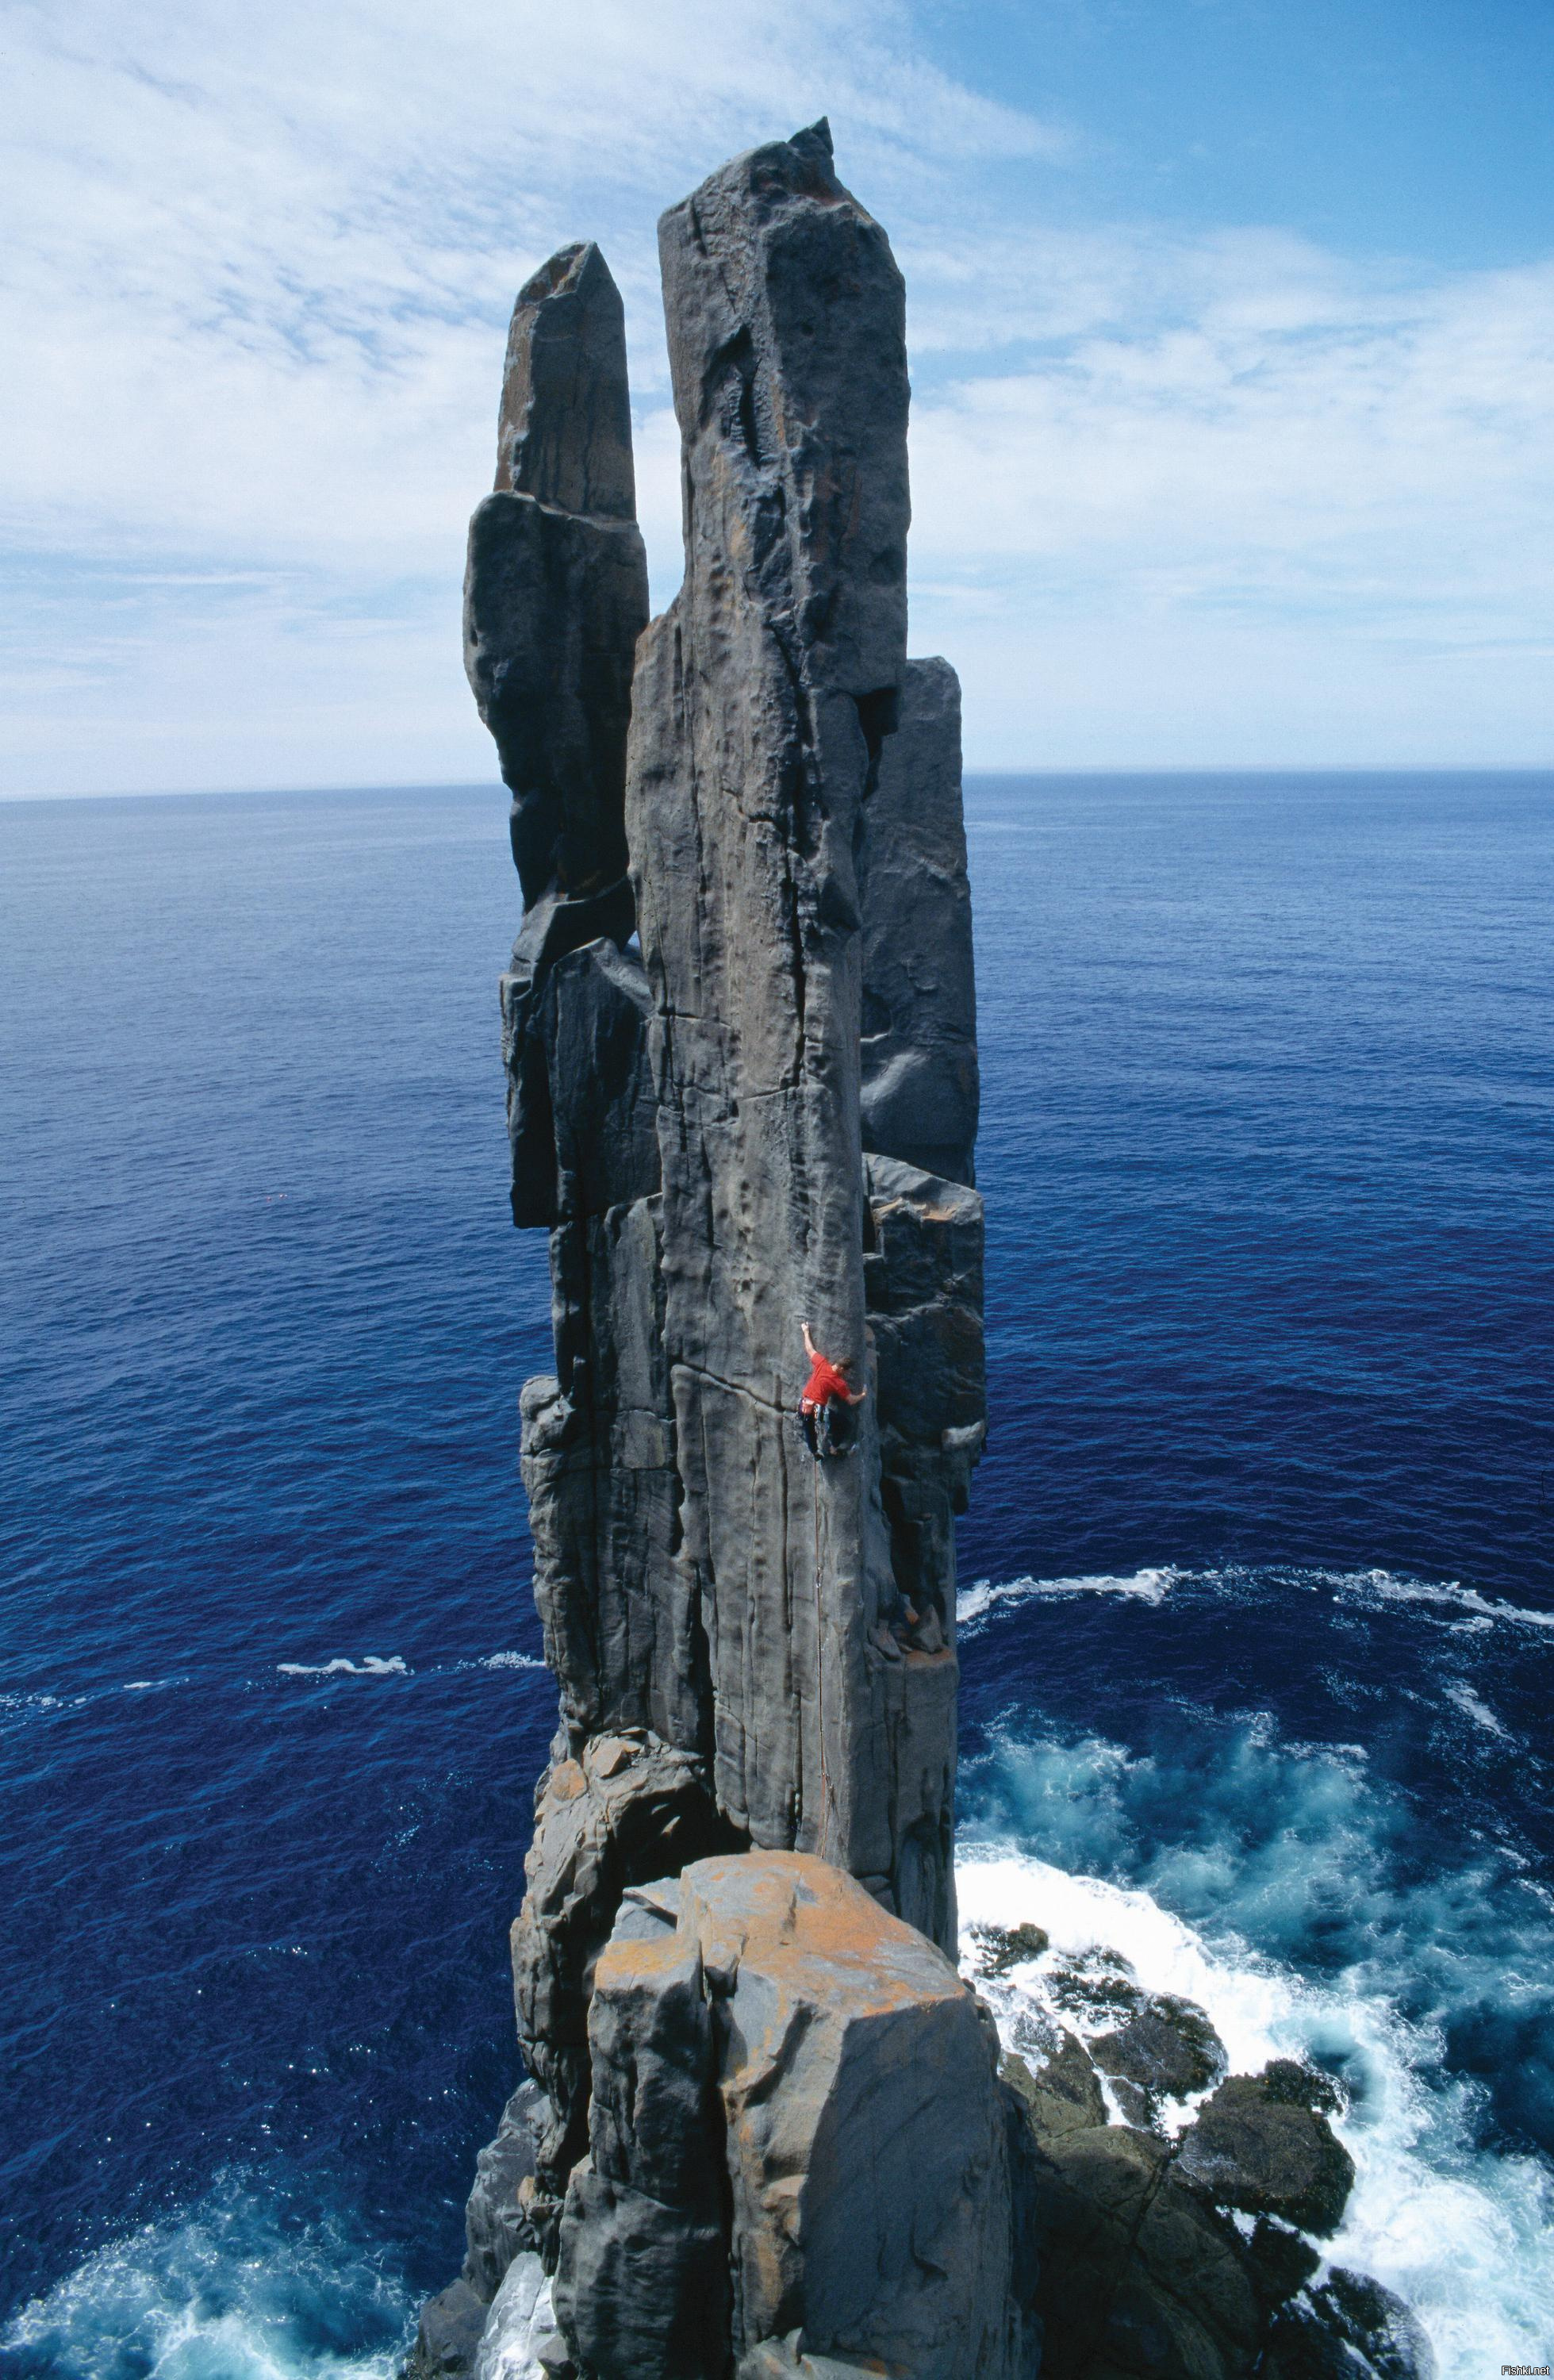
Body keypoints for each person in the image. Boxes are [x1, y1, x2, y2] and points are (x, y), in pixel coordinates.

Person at [798, 1320, 867, 1459]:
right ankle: (834, 1449)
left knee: (809, 1429)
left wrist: (805, 1331)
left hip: (804, 1405)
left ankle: (815, 1452)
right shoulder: (838, 1382)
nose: (846, 1374)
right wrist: (863, 1395)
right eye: (846, 1371)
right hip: (818, 1411)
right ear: (842, 1369)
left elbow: (810, 1349)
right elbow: (851, 1400)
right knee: (843, 1425)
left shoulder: (821, 1363)